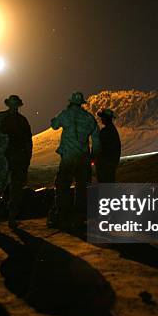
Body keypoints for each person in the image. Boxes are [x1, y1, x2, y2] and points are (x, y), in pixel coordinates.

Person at [50, 92, 101, 230]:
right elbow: (96, 139)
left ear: (71, 102)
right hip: (84, 157)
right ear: (81, 103)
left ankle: (63, 216)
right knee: (82, 187)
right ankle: (79, 217)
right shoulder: (89, 118)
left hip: (68, 156)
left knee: (63, 185)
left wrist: (55, 118)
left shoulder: (66, 114)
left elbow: (54, 125)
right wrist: (93, 156)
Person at [0, 95, 33, 228]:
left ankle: (4, 217)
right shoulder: (17, 120)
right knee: (3, 187)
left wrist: (26, 158)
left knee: (12, 188)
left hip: (14, 158)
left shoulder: (8, 118)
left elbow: (27, 141)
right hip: (9, 158)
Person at [95, 109, 121, 183]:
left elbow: (99, 147)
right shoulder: (112, 130)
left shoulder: (106, 131)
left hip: (105, 165)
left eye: (102, 117)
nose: (101, 119)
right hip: (110, 164)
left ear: (106, 118)